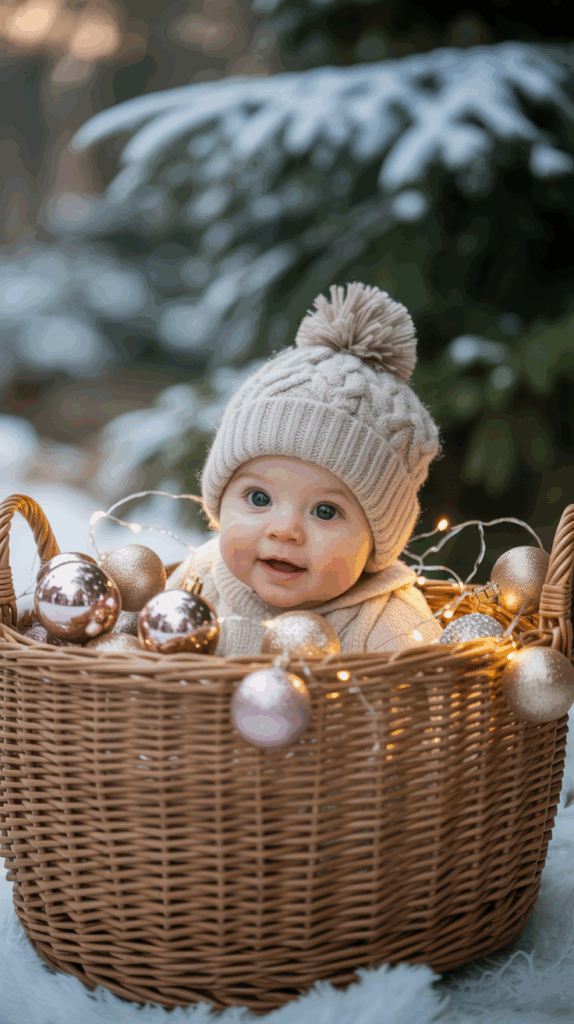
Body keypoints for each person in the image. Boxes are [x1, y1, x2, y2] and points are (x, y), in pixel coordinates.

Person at [167, 281, 444, 655]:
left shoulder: (388, 624)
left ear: (378, 540)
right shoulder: (197, 581)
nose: (285, 531)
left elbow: (426, 707)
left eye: (325, 511)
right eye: (259, 497)